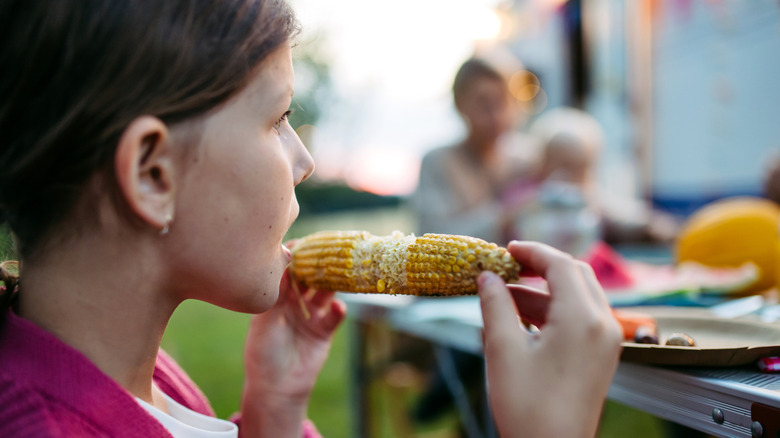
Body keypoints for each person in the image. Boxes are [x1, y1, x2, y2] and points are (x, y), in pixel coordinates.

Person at [0, 1, 622, 437]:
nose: (304, 160)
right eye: (277, 120)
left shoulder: (138, 375)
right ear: (152, 174)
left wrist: (274, 415)